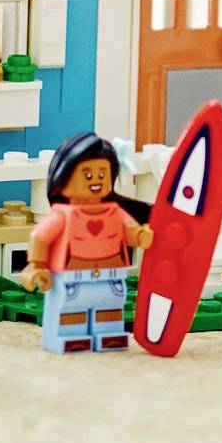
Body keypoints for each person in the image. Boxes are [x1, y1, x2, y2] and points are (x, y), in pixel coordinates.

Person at [26, 133, 153, 354]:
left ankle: (108, 336)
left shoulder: (115, 212)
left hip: (111, 275)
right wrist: (37, 265)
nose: (96, 179)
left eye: (102, 173)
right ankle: (70, 338)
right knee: (71, 309)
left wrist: (142, 236)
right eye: (87, 174)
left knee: (109, 307)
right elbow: (40, 237)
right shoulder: (62, 216)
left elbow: (131, 232)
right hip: (72, 278)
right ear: (62, 180)